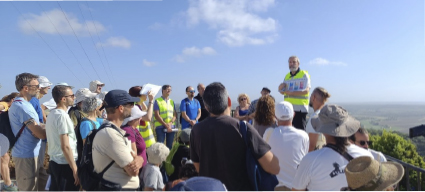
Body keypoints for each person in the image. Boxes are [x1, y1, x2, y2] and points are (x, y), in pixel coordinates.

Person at [190, 82, 280, 191]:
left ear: (206, 107)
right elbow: (274, 167)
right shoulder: (243, 128)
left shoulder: (196, 130)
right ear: (228, 101)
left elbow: (198, 167)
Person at [292, 104, 373, 191]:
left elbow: (297, 190)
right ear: (347, 127)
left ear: (323, 131)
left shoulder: (310, 160)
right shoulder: (367, 156)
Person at [92, 89, 143, 190]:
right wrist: (140, 159)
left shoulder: (114, 131)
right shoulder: (111, 135)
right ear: (120, 108)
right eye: (131, 104)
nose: (133, 107)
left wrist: (138, 159)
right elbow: (133, 171)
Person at [8, 73, 47, 191]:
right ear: (26, 88)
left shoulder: (26, 105)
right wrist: (47, 128)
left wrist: (42, 127)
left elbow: (38, 127)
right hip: (26, 156)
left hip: (32, 154)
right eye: (36, 86)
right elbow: (40, 133)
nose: (39, 88)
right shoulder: (22, 107)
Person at [263, 101, 309, 191]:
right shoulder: (303, 135)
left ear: (275, 117)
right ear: (294, 115)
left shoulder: (269, 133)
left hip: (274, 186)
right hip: (296, 187)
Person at [45, 85, 79, 191]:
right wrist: (74, 169)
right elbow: (65, 146)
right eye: (72, 95)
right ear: (63, 99)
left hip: (55, 162)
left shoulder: (52, 114)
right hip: (65, 163)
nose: (74, 98)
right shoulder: (62, 116)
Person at [30, 76, 52, 191]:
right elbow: (32, 121)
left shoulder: (35, 100)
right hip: (37, 139)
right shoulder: (34, 100)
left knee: (39, 168)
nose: (49, 87)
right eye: (47, 85)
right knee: (36, 168)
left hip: (39, 138)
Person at [278, 55, 311, 130]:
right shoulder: (287, 76)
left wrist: (291, 93)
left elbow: (306, 91)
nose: (291, 64)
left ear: (298, 64)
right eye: (290, 62)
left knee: (300, 131)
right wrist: (280, 88)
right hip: (288, 109)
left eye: (294, 62)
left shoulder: (304, 75)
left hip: (300, 109)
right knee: (288, 131)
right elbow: (283, 92)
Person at [121, 105, 148, 180]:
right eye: (139, 117)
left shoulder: (133, 129)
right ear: (132, 120)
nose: (141, 118)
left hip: (141, 170)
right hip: (136, 173)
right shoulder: (128, 130)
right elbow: (133, 153)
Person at [0, 93, 19, 191]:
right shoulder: (5, 104)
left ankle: (8, 184)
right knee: (4, 158)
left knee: (4, 158)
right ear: (13, 99)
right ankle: (8, 185)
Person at [76, 97, 103, 161]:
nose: (102, 109)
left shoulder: (97, 120)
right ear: (95, 108)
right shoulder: (86, 123)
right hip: (91, 159)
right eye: (100, 107)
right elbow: (86, 144)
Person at [306, 87, 331, 152]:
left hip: (315, 158)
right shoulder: (328, 115)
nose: (310, 98)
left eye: (311, 96)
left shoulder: (315, 118)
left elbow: (311, 145)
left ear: (313, 97)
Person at [153, 85, 177, 150]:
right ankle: (160, 160)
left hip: (171, 127)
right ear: (163, 90)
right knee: (160, 147)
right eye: (167, 89)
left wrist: (170, 123)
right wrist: (165, 124)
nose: (169, 91)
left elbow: (175, 115)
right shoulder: (157, 101)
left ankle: (168, 160)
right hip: (160, 127)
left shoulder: (172, 101)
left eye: (170, 90)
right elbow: (157, 115)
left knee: (169, 147)